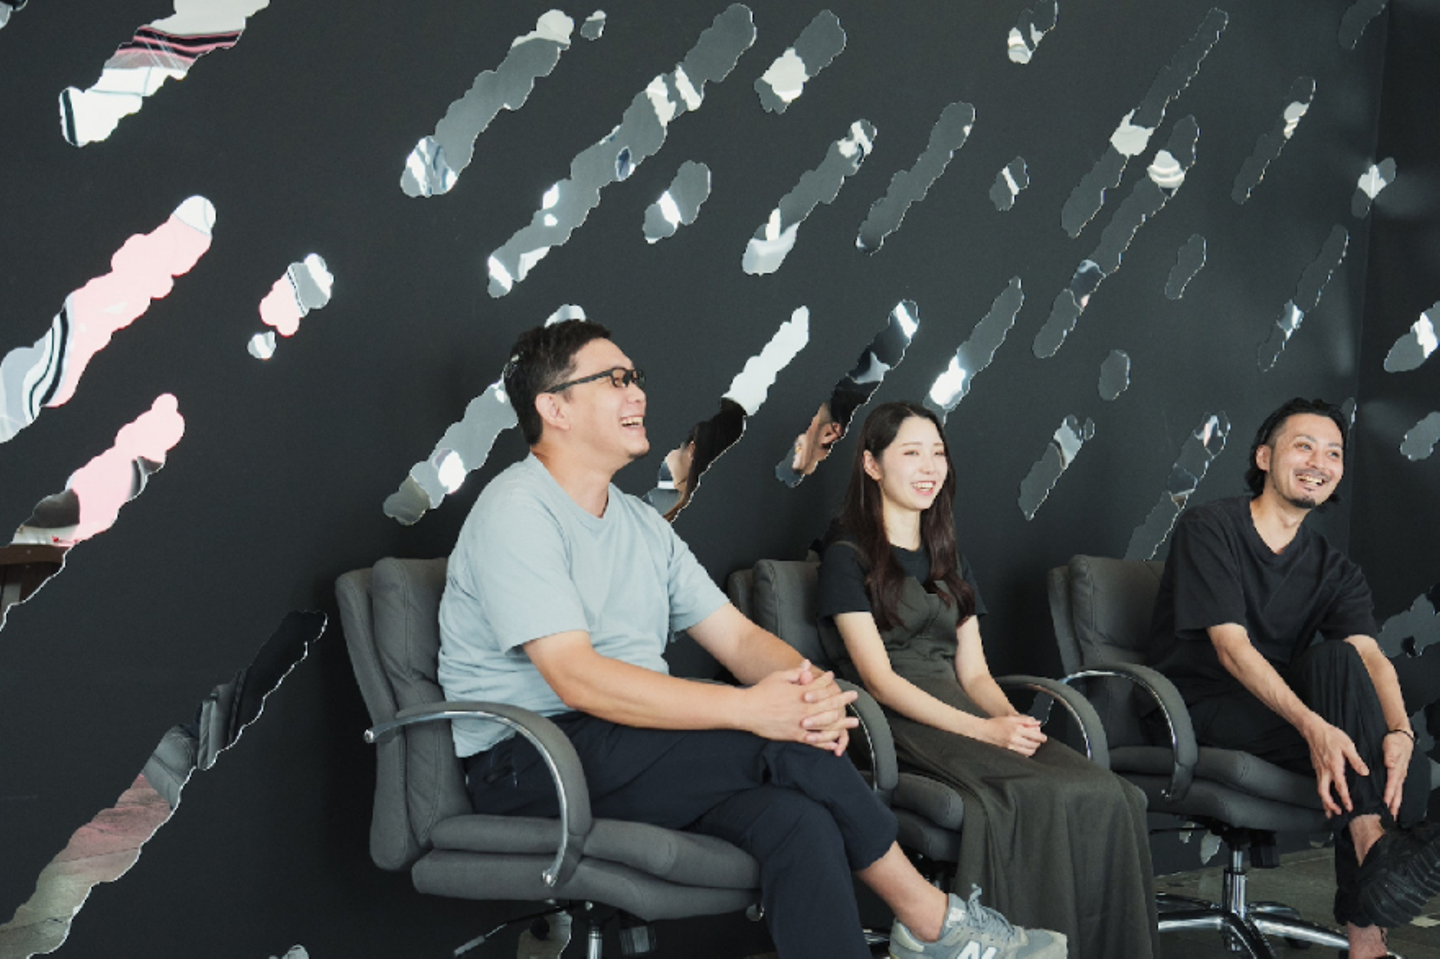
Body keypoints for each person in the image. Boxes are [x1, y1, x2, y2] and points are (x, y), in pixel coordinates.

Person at [436, 321, 1066, 959]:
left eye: (636, 378)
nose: (638, 393)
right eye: (615, 379)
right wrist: (752, 710)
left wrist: (810, 693)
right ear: (555, 407)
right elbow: (576, 677)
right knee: (782, 744)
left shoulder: (639, 525)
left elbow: (738, 639)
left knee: (800, 821)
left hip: (630, 747)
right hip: (533, 761)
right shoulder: (518, 509)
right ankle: (931, 923)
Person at [817, 401, 1158, 959]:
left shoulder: (949, 558)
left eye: (938, 453)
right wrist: (982, 732)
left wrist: (1008, 721)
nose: (930, 467)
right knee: (1033, 795)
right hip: (896, 719)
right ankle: (1013, 945)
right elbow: (878, 680)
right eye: (911, 453)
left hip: (961, 706)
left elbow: (974, 672)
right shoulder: (846, 557)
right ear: (872, 465)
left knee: (1109, 792)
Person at [1148, 396, 1440, 959]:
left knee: (1345, 672)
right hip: (1195, 708)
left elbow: (1370, 656)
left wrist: (1401, 731)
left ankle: (1377, 863)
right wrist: (1314, 727)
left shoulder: (1334, 567)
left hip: (1272, 712)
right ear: (1264, 456)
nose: (1318, 463)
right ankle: (1369, 929)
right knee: (1358, 748)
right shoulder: (1210, 527)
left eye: (1333, 453)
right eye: (1303, 446)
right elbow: (1231, 649)